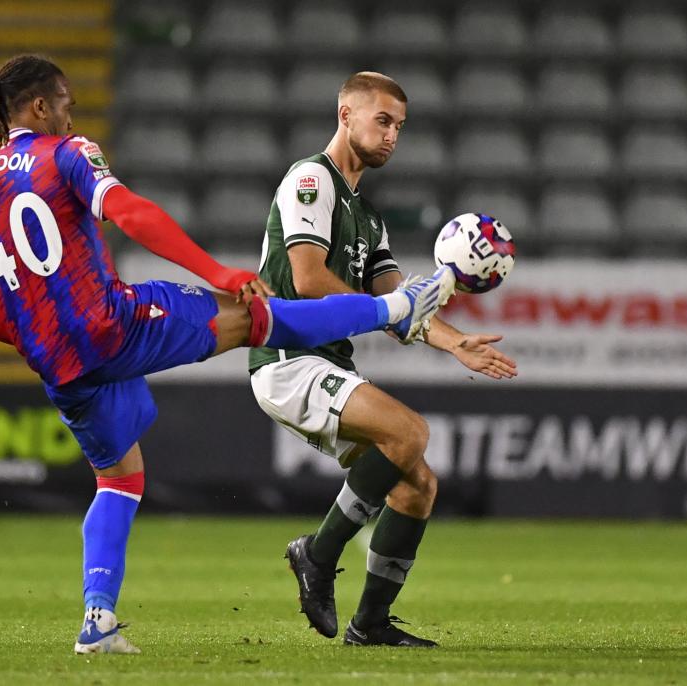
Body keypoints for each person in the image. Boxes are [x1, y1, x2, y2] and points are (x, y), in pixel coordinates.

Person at [0, 55, 454, 655]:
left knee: (118, 479)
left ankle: (98, 621)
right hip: (117, 324)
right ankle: (395, 309)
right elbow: (131, 213)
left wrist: (51, 338)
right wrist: (218, 270)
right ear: (39, 106)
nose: (69, 113)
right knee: (258, 319)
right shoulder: (65, 154)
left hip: (59, 359)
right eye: (64, 103)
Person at [249, 72, 518, 647]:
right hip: (287, 358)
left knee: (417, 486)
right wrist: (391, 306)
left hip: (329, 366)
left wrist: (455, 342)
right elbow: (307, 277)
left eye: (399, 126)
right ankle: (316, 556)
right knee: (410, 433)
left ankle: (369, 626)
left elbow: (401, 304)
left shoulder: (369, 219)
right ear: (345, 114)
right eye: (383, 120)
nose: (392, 134)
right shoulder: (309, 180)